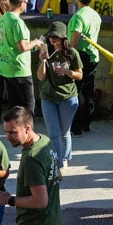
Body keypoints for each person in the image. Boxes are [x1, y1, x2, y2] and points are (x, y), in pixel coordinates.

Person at [35, 21, 82, 167]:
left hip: (67, 97)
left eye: (55, 37)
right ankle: (58, 163)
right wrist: (43, 61)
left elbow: (80, 75)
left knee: (64, 131)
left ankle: (65, 157)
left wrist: (67, 72)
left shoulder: (72, 53)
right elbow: (40, 77)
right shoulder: (47, 52)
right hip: (48, 96)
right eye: (50, 37)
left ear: (63, 38)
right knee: (53, 132)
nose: (52, 40)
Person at [68, 0, 102, 135]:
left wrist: (69, 56)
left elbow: (74, 40)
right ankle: (86, 123)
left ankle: (75, 127)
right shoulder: (95, 15)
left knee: (74, 91)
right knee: (88, 92)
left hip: (80, 56)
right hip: (93, 55)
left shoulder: (79, 16)